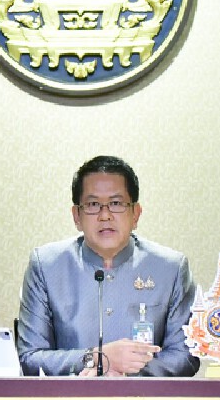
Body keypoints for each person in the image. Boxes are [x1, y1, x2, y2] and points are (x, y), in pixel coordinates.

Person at [17, 155, 200, 377]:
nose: (105, 216)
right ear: (77, 216)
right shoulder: (46, 266)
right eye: (93, 204)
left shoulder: (170, 269)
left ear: (135, 214)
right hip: (69, 398)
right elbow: (29, 358)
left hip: (144, 398)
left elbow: (185, 356)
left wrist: (125, 372)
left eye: (116, 203)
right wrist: (96, 359)